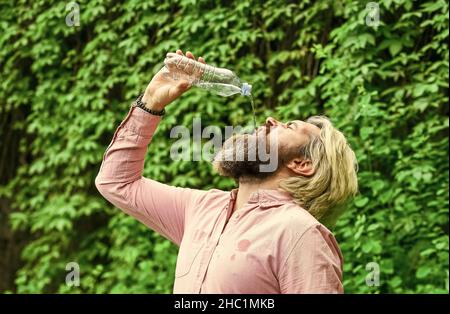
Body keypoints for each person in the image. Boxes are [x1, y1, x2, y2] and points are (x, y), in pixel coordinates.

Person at [95, 49, 358, 293]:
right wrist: (150, 102)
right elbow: (117, 183)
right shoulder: (201, 208)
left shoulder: (301, 233)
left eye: (289, 126)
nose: (270, 120)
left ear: (302, 164)